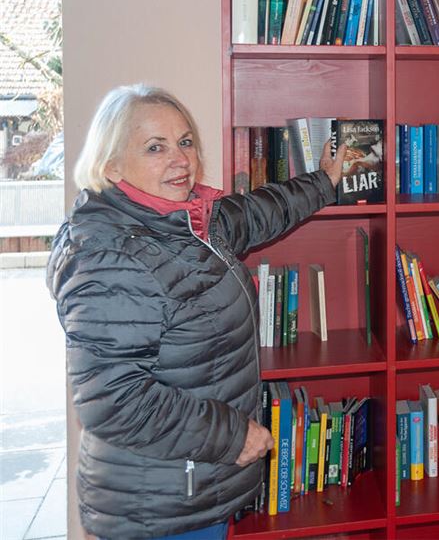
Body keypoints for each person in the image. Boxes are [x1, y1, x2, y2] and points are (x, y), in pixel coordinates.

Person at [47, 85, 346, 539]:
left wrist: (323, 182)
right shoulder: (111, 256)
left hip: (195, 485)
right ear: (110, 166)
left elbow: (257, 213)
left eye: (185, 142)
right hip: (160, 508)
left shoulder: (183, 222)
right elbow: (114, 402)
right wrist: (235, 437)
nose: (180, 160)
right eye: (155, 147)